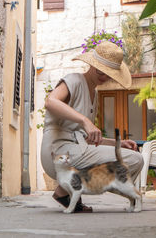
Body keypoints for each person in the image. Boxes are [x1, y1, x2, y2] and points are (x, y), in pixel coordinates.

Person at [41, 41, 144, 213]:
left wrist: (116, 143)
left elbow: (87, 138)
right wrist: (85, 121)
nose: (103, 77)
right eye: (100, 71)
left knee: (134, 158)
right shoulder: (74, 80)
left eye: (108, 74)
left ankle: (67, 192)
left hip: (76, 150)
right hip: (58, 150)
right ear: (91, 64)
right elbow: (50, 101)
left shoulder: (94, 93)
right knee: (134, 160)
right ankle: (67, 189)